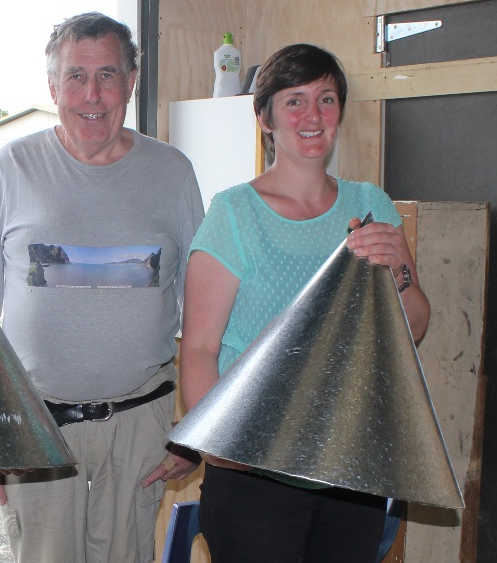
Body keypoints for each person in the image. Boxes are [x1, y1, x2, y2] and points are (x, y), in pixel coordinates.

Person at [0, 11, 205, 563]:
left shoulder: (172, 173)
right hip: (37, 427)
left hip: (142, 423)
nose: (91, 94)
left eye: (107, 74)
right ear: (52, 87)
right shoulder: (12, 167)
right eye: (75, 76)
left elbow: (203, 309)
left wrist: (197, 428)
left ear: (131, 81)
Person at [179, 43, 431, 562]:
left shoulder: (371, 204)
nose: (312, 115)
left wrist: (399, 270)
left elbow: (413, 327)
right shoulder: (234, 214)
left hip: (348, 461)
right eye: (294, 101)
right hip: (254, 470)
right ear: (265, 117)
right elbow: (201, 348)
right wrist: (219, 450)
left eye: (326, 99)